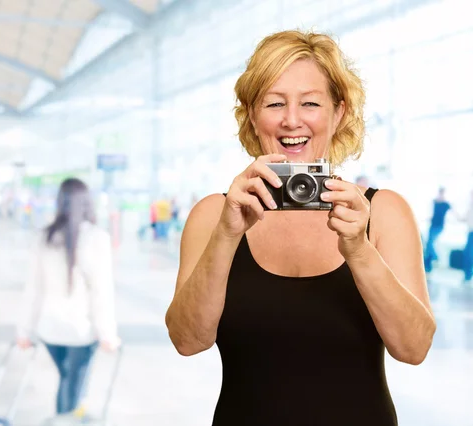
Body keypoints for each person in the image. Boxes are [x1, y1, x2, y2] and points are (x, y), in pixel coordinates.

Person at [165, 30, 435, 425]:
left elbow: (414, 348)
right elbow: (188, 341)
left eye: (310, 102)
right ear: (253, 115)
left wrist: (359, 250)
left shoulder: (383, 211)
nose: (292, 119)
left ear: (338, 113)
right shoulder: (214, 215)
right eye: (274, 103)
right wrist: (226, 235)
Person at [17, 178, 120, 419]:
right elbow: (101, 292)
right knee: (72, 387)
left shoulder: (44, 237)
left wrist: (24, 330)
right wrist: (107, 334)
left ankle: (64, 417)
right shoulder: (96, 237)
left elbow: (33, 289)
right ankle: (65, 419)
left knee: (67, 380)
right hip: (81, 333)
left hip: (49, 331)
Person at [424, 187, 452, 272]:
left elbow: (454, 214)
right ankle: (428, 267)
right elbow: (431, 213)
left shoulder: (446, 204)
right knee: (428, 244)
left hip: (439, 226)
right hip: (432, 225)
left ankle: (436, 257)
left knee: (430, 243)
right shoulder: (434, 201)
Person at [462, 189, 473, 283]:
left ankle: (468, 275)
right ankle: (467, 276)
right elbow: (465, 218)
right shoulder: (470, 206)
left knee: (469, 254)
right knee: (467, 254)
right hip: (470, 232)